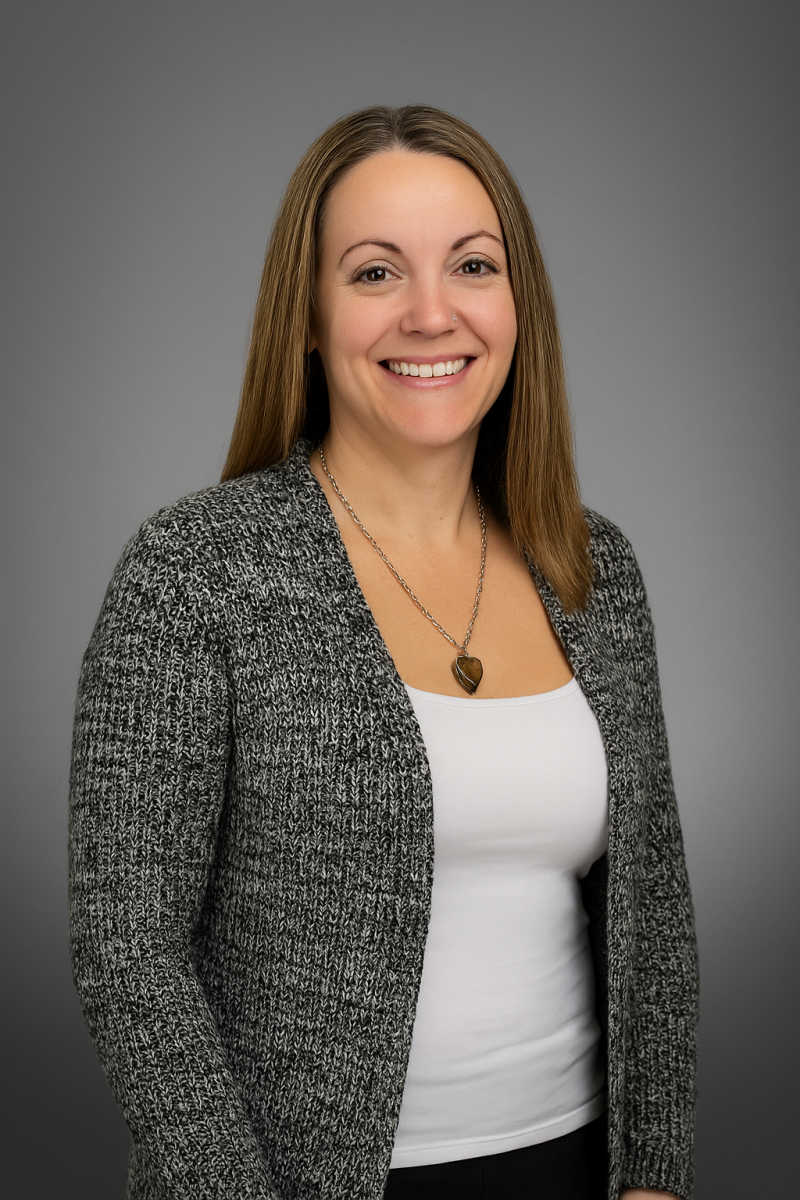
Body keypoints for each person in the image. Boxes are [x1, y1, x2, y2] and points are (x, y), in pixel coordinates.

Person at [69, 105, 698, 1200]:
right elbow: (128, 946)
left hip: (568, 1164)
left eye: (470, 264)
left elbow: (651, 907)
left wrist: (650, 1174)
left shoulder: (592, 569)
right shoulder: (197, 569)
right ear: (307, 317)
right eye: (373, 273)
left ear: (516, 306)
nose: (430, 312)